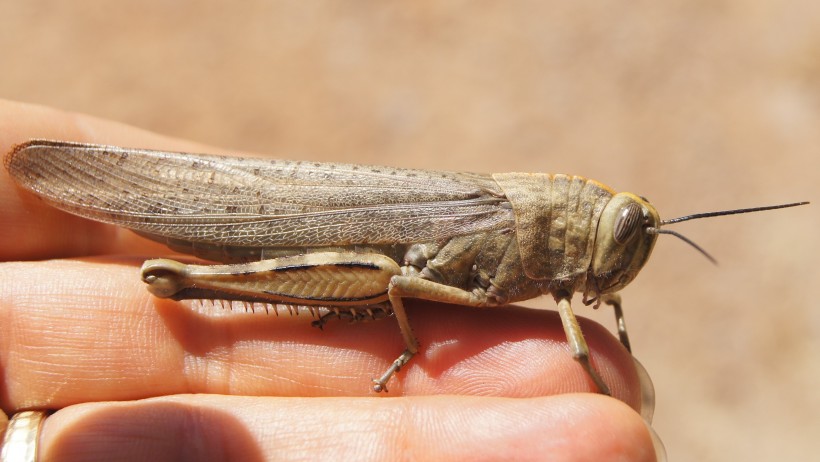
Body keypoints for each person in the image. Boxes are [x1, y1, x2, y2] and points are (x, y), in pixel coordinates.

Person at [0, 100, 659, 461]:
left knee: (386, 278)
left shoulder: (554, 249)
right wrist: (405, 347)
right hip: (331, 242)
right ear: (569, 223)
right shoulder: (514, 221)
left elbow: (593, 294)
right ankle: (188, 282)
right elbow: (403, 287)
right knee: (386, 278)